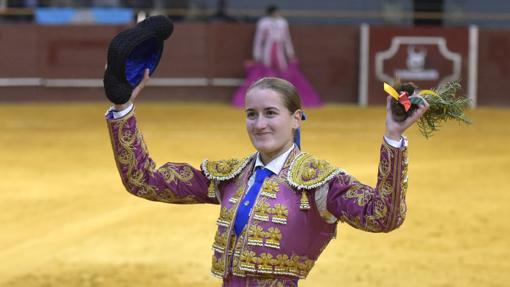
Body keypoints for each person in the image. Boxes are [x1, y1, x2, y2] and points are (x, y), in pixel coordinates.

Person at [106, 70, 429, 286]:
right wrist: (123, 108)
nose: (259, 124)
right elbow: (144, 180)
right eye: (252, 114)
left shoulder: (320, 182)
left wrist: (394, 138)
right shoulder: (232, 175)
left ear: (297, 119)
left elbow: (382, 217)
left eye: (271, 113)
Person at [232, 5, 322, 108]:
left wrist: (290, 53)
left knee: (282, 72)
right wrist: (257, 54)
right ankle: (268, 99)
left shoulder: (282, 22)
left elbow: (286, 39)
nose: (278, 14)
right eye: (276, 12)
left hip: (278, 50)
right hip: (267, 51)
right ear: (272, 13)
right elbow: (259, 39)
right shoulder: (264, 22)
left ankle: (283, 98)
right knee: (268, 73)